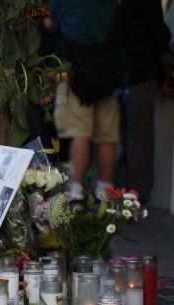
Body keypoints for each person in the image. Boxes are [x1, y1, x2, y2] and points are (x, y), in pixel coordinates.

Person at [48, 0, 122, 202]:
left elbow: (50, 22)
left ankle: (76, 191)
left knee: (79, 132)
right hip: (107, 72)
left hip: (76, 70)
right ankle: (105, 191)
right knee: (107, 136)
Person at [116, 0, 173, 206]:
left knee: (130, 136)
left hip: (126, 75)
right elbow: (159, 34)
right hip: (138, 75)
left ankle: (128, 191)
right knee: (137, 135)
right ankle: (134, 192)